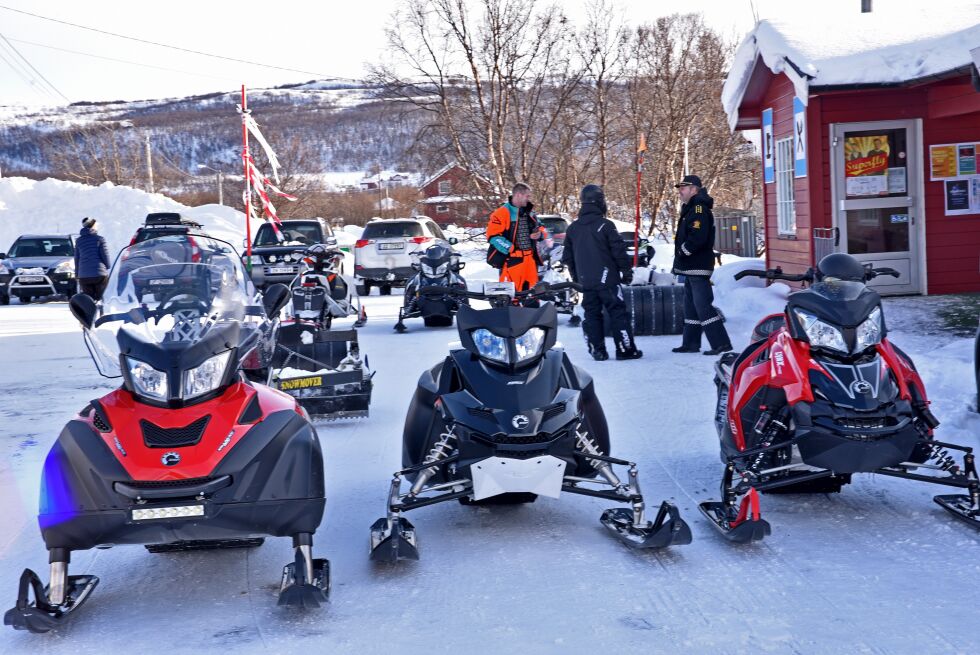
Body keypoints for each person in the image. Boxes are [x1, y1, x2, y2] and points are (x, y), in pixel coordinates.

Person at [562, 184, 641, 361]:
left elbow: (567, 258)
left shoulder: (573, 229)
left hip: (586, 282)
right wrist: (626, 272)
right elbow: (618, 251)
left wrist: (577, 278)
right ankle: (625, 349)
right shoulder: (606, 225)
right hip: (608, 281)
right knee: (617, 312)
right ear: (599, 202)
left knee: (592, 315)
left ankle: (598, 350)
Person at [671, 175, 732, 356]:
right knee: (691, 306)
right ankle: (690, 343)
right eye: (680, 188)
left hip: (697, 265)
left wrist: (684, 251)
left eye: (684, 187)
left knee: (703, 305)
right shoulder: (691, 208)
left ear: (694, 189)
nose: (680, 191)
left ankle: (721, 343)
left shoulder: (698, 209)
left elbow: (698, 237)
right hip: (689, 267)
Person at [486, 183, 548, 292]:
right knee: (511, 296)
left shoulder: (530, 212)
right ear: (519, 195)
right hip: (512, 261)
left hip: (530, 261)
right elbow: (493, 236)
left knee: (533, 296)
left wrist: (540, 234)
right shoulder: (501, 213)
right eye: (527, 196)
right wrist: (510, 248)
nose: (529, 199)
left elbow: (542, 227)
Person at [74, 217, 111, 300]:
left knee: (88, 300)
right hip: (99, 275)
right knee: (101, 299)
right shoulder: (100, 239)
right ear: (93, 226)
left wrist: (77, 274)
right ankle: (101, 312)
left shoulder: (78, 241)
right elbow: (105, 255)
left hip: (84, 276)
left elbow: (77, 258)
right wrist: (108, 266)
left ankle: (91, 312)